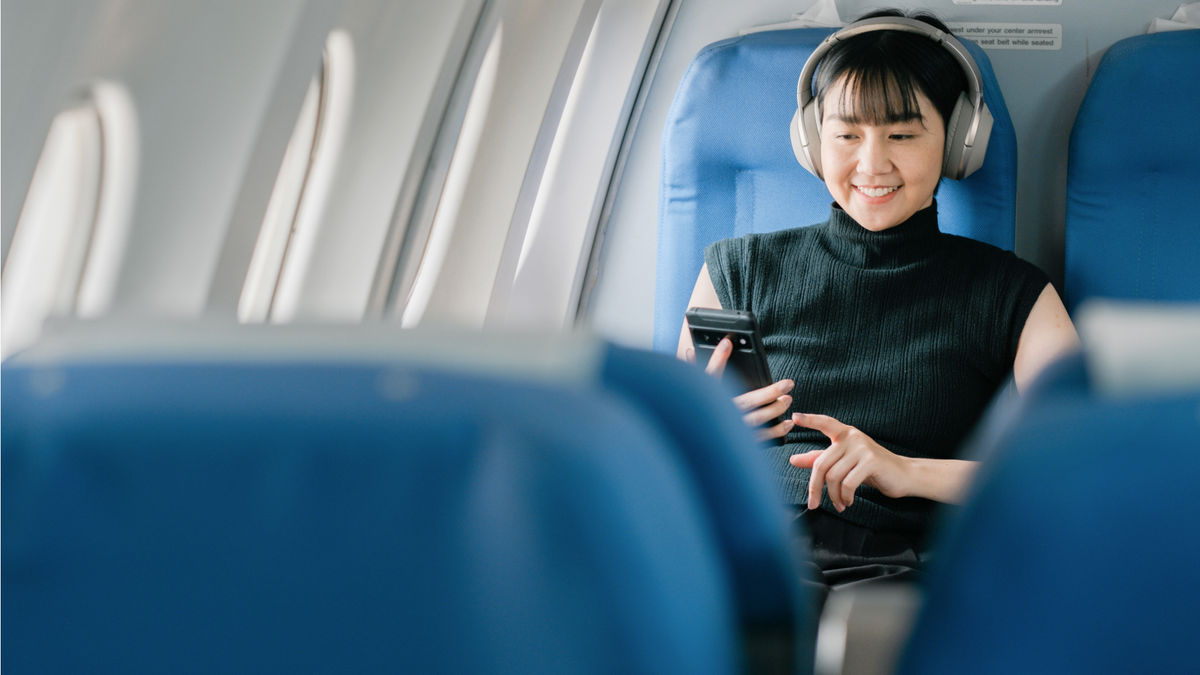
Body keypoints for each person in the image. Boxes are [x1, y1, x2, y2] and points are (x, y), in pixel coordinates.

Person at [677, 10, 1079, 590]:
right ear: (813, 142)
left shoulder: (1011, 293)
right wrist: (710, 430)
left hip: (884, 566)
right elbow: (665, 449)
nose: (871, 164)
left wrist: (903, 471)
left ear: (960, 138)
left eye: (902, 134)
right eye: (847, 135)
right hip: (729, 545)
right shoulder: (735, 268)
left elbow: (1072, 467)